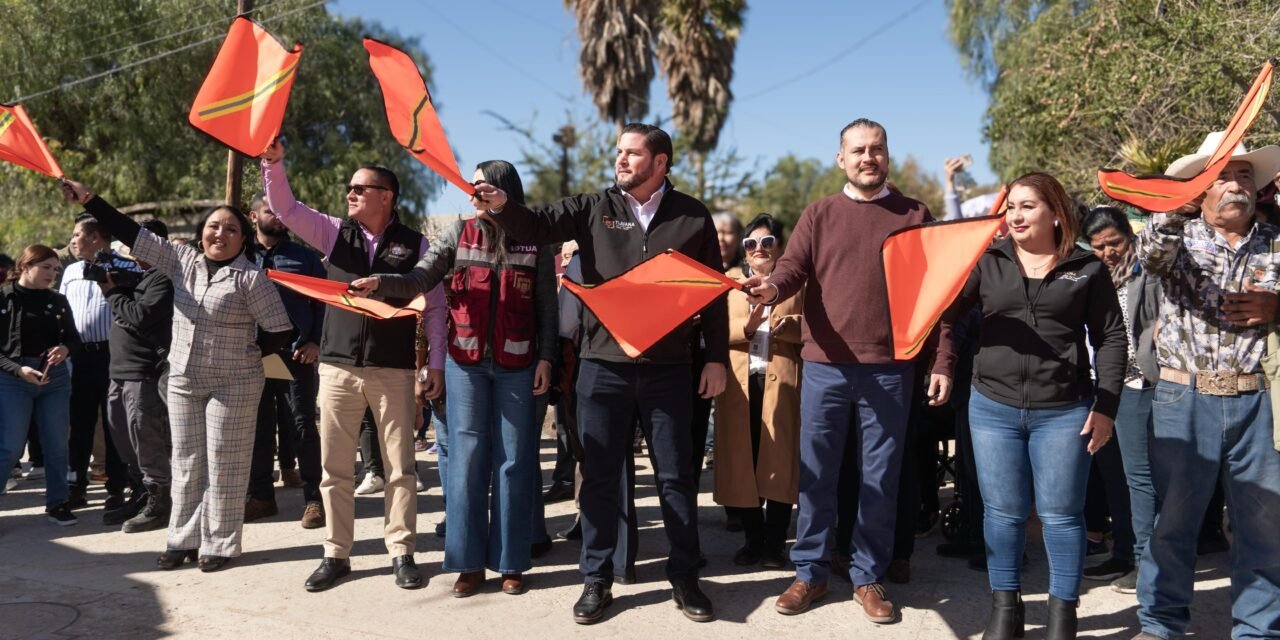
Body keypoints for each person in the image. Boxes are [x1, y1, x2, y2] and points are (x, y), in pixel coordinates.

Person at [472, 122, 728, 624]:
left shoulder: (693, 216)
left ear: (660, 163)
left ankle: (684, 577)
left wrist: (715, 357)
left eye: (632, 154)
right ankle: (597, 579)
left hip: (670, 369)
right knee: (600, 479)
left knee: (676, 479)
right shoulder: (593, 207)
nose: (621, 161)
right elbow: (538, 225)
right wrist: (501, 205)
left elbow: (713, 292)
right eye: (618, 153)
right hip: (602, 368)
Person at [744, 118, 953, 624]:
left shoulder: (913, 213)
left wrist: (942, 359)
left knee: (880, 479)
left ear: (887, 156)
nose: (867, 157)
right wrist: (771, 291)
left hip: (889, 369)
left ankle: (866, 576)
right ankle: (811, 571)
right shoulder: (819, 214)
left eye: (876, 149)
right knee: (816, 475)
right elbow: (792, 267)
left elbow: (937, 293)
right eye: (857, 150)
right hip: (825, 368)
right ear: (841, 159)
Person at [62, 180, 294, 572]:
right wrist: (90, 200)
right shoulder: (180, 260)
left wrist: (245, 354)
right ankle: (182, 538)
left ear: (242, 239)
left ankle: (219, 543)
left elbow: (279, 331)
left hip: (234, 381)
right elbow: (130, 231)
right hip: (184, 378)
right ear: (202, 232)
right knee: (185, 460)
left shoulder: (251, 279)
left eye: (231, 229)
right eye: (214, 227)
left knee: (225, 461)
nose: (220, 234)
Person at [351, 159, 557, 596]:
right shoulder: (456, 233)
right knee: (464, 462)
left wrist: (547, 359)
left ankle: (511, 563)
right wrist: (381, 282)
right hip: (466, 365)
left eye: (484, 185)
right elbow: (420, 278)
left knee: (515, 462)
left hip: (518, 365)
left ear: (504, 191)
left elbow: (546, 306)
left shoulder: (535, 237)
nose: (476, 193)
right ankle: (467, 564)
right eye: (473, 186)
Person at [942, 173, 1126, 639]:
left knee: (1062, 515)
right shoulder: (987, 262)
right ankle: (1006, 609)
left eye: (1027, 206)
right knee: (1002, 514)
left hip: (1065, 411)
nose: (1016, 215)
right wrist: (942, 365)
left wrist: (1105, 407)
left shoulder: (1087, 267)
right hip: (992, 408)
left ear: (1055, 213)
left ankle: (1063, 614)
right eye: (1011, 207)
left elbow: (1111, 338)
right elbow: (944, 314)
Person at [258, 139, 446, 593]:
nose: (351, 194)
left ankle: (401, 551)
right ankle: (335, 553)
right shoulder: (332, 233)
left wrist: (434, 365)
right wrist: (274, 163)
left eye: (360, 188)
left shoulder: (416, 244)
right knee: (335, 468)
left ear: (387, 196)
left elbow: (435, 308)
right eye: (349, 188)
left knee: (400, 468)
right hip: (338, 367)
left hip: (394, 370)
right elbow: (285, 208)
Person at [1131, 133, 1280, 640]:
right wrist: (1176, 202)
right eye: (1222, 174)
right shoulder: (1178, 238)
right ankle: (1161, 624)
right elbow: (1148, 254)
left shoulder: (1277, 242)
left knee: (1264, 525)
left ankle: (1258, 629)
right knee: (1174, 522)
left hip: (1257, 399)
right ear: (1201, 187)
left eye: (1244, 175)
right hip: (1182, 396)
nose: (1236, 184)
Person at [1080, 207, 1161, 594]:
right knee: (1113, 476)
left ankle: (1148, 565)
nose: (1108, 252)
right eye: (1098, 246)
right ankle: (1123, 553)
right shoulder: (1093, 278)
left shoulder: (1148, 272)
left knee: (1139, 480)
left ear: (1129, 235)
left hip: (1140, 386)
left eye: (1114, 242)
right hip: (1103, 389)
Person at [714, 213, 801, 569]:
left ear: (779, 248)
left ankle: (775, 543)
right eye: (751, 244)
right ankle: (752, 539)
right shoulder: (729, 282)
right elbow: (714, 327)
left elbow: (815, 325)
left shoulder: (796, 282)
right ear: (744, 251)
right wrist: (746, 326)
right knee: (742, 464)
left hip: (781, 382)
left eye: (767, 243)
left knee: (779, 464)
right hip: (740, 385)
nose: (759, 249)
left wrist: (787, 326)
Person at [244, 193, 328, 530]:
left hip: (296, 354)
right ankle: (262, 497)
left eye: (281, 211)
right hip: (253, 356)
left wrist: (315, 341)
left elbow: (324, 303)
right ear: (253, 217)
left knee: (303, 427)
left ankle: (314, 499)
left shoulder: (305, 257)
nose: (277, 216)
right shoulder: (241, 255)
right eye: (269, 210)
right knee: (258, 427)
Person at [102, 219, 175, 533]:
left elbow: (140, 316)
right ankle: (143, 493)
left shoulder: (164, 278)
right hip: (118, 372)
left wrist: (111, 291)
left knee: (146, 438)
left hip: (144, 372)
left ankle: (160, 501)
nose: (135, 249)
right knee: (123, 437)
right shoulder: (137, 277)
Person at [61, 213, 138, 510]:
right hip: (79, 357)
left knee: (113, 424)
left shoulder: (124, 267)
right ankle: (75, 486)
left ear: (95, 237)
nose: (72, 241)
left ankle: (116, 488)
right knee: (79, 425)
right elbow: (65, 315)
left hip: (112, 354)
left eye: (77, 235)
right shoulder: (69, 273)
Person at [0, 245, 81, 525]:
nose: (52, 274)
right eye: (46, 267)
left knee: (57, 444)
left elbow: (73, 338)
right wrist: (17, 369)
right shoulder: (4, 298)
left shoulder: (57, 301)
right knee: (10, 447)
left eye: (55, 269)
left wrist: (65, 350)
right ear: (25, 266)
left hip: (54, 378)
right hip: (13, 379)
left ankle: (58, 503)